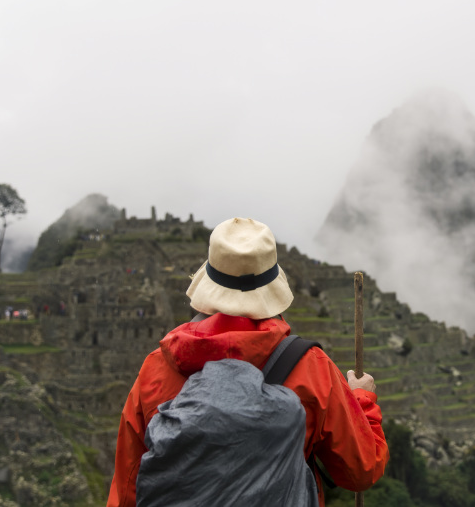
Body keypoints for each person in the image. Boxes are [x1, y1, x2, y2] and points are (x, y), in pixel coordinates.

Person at [107, 217, 389, 506]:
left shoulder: (158, 368)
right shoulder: (311, 368)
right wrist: (361, 398)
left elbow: (129, 483)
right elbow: (361, 469)